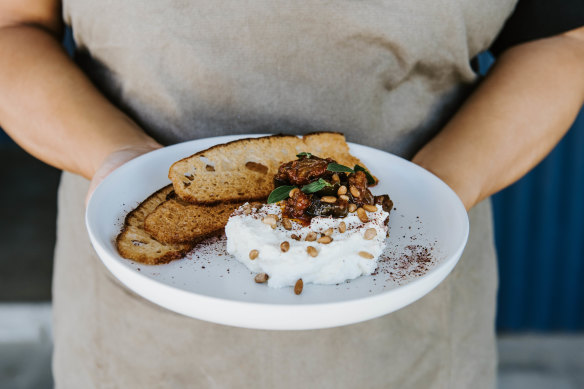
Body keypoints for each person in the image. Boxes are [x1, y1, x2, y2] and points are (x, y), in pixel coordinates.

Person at [0, 0, 583, 387]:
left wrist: (435, 192)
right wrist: (119, 160)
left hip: (408, 330)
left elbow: (561, 41)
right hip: (138, 338)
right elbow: (14, 27)